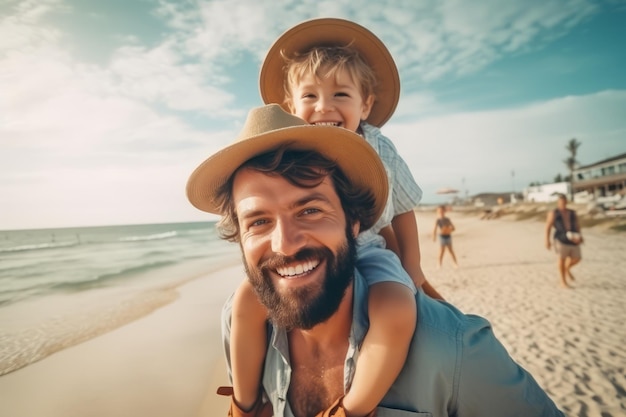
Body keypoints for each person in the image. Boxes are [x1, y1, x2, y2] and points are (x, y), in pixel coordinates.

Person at [186, 104, 565, 416]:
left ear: (354, 223)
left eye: (310, 211)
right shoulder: (239, 323)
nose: (284, 245)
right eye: (259, 221)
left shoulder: (455, 350)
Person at [230, 18, 442, 416]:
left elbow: (404, 208)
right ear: (291, 108)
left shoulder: (382, 148)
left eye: (340, 94)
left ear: (366, 104)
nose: (324, 106)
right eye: (310, 96)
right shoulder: (293, 152)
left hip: (370, 250)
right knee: (245, 300)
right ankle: (244, 403)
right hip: (308, 254)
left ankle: (352, 407)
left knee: (395, 308)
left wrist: (413, 268)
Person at [545, 193, 583, 288]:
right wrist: (547, 240)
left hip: (573, 237)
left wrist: (580, 236)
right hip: (560, 238)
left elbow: (577, 225)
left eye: (564, 202)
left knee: (577, 258)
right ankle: (563, 282)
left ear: (566, 202)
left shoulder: (572, 212)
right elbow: (548, 227)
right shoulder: (554, 213)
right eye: (561, 202)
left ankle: (567, 268)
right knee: (561, 259)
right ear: (558, 202)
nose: (563, 203)